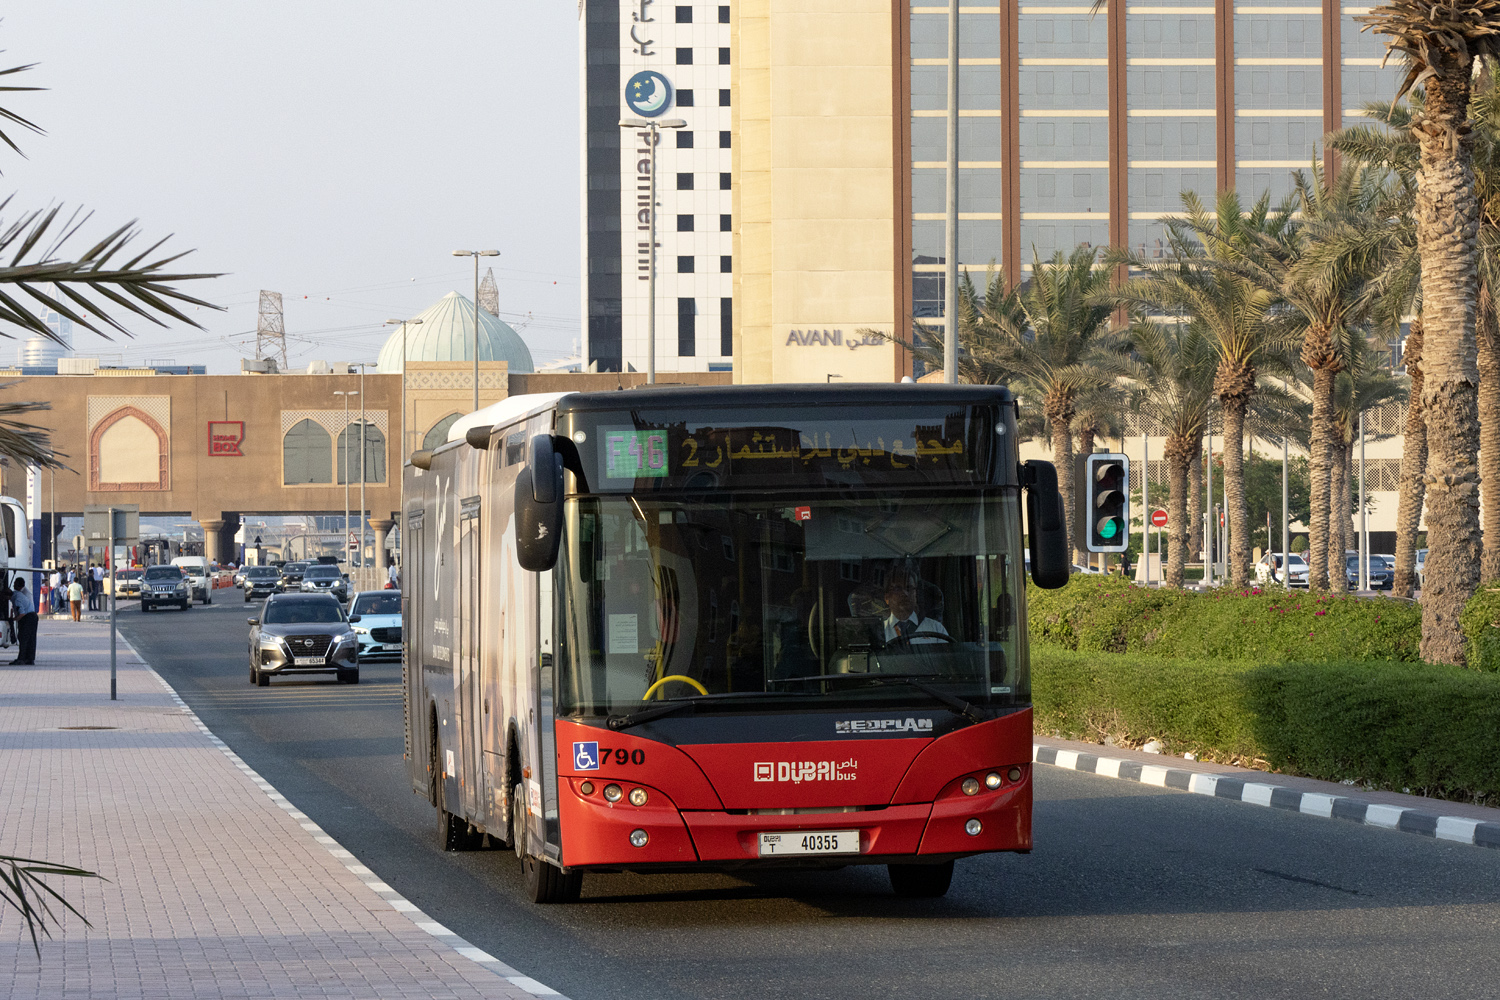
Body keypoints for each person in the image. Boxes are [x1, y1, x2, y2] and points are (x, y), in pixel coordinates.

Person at [880, 573, 949, 646]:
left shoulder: (936, 629)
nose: (905, 593)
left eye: (909, 588)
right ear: (887, 598)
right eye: (897, 589)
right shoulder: (880, 632)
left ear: (915, 594)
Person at [10, 577, 37, 664]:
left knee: (23, 638)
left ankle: (21, 659)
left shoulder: (18, 596)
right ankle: (29, 658)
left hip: (28, 617)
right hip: (31, 616)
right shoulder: (18, 594)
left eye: (15, 583)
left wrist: (14, 619)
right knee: (30, 639)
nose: (13, 585)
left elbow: (22, 613)